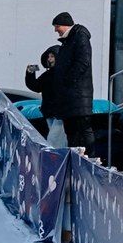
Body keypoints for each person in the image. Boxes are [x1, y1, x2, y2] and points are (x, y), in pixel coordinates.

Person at [43, 10, 95, 151]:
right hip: (70, 96)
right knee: (72, 131)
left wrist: (68, 80)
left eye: (57, 26)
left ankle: (89, 157)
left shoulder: (79, 37)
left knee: (83, 128)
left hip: (77, 95)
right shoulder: (70, 40)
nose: (55, 30)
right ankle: (75, 157)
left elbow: (83, 62)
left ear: (65, 25)